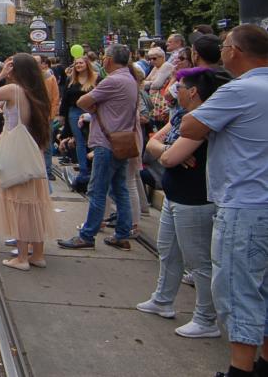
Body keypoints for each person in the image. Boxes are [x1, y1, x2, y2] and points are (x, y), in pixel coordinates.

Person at [162, 24, 268, 377]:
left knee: (238, 290)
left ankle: (240, 369)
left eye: (225, 46)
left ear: (235, 51)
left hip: (244, 203)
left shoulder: (239, 90)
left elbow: (190, 127)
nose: (221, 52)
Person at [138, 66, 228, 339]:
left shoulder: (203, 119)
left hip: (195, 199)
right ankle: (162, 299)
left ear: (193, 92)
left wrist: (167, 152)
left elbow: (167, 159)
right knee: (168, 252)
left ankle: (206, 318)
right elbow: (153, 145)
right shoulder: (180, 115)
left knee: (198, 262)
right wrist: (169, 150)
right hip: (175, 195)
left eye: (180, 86)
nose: (174, 90)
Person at [0, 54, 56, 270]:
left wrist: (0, 75)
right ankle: (37, 254)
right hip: (32, 154)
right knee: (34, 205)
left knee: (19, 206)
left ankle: (21, 257)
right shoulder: (37, 92)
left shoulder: (13, 90)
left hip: (15, 156)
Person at [57, 43, 138, 251]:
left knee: (97, 190)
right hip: (122, 141)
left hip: (106, 142)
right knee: (119, 189)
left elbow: (82, 101)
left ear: (109, 59)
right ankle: (122, 234)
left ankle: (87, 235)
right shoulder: (130, 79)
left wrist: (94, 107)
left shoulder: (112, 80)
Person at [60, 56, 97, 190]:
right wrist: (62, 115)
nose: (78, 65)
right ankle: (83, 170)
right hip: (74, 111)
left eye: (81, 63)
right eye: (76, 63)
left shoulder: (95, 78)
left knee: (93, 139)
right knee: (79, 141)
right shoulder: (71, 79)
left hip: (91, 111)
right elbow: (65, 98)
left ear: (87, 64)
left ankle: (94, 168)